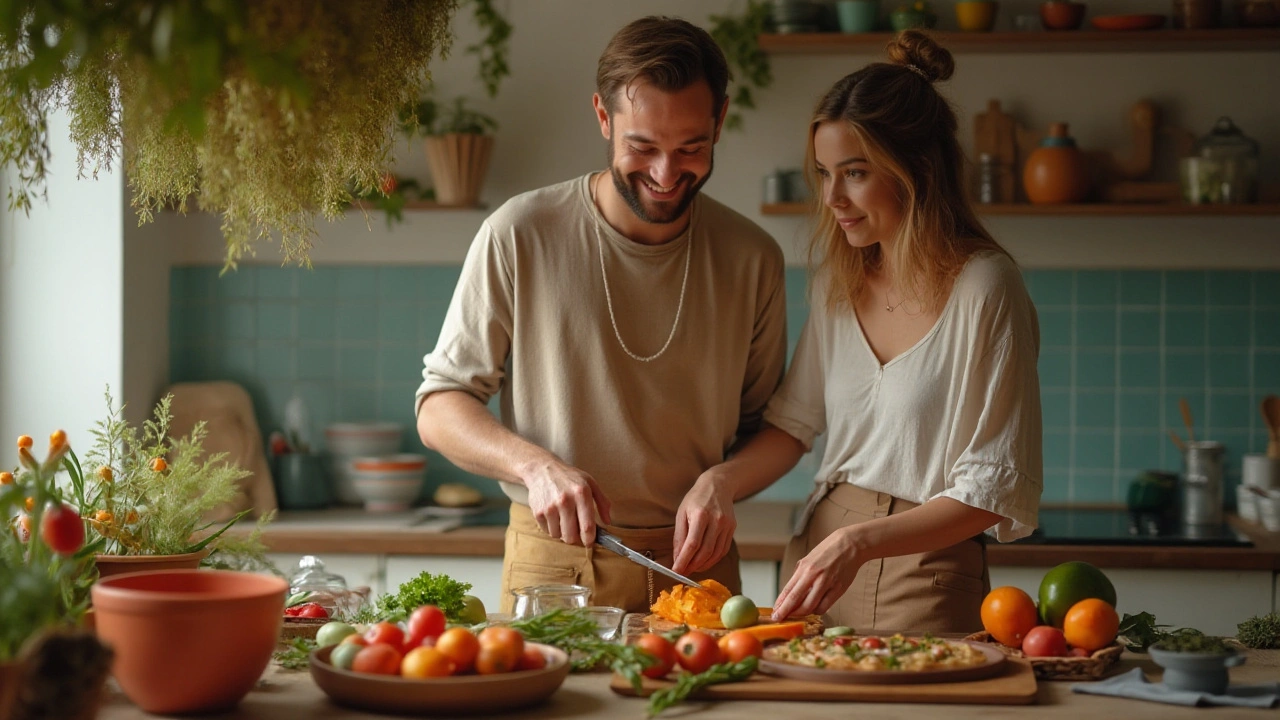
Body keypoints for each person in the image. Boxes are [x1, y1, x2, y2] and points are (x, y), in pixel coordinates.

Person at [414, 16, 787, 614]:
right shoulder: (519, 233)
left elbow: (773, 429)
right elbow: (439, 408)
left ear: (719, 120)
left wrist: (724, 482)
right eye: (643, 147)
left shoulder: (753, 257)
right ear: (603, 117)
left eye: (692, 147)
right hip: (555, 560)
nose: (667, 175)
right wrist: (534, 467)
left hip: (698, 567)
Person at [689, 31, 1042, 633]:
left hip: (924, 566)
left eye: (854, 173)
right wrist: (717, 481)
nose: (831, 197)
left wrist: (861, 541)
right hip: (817, 559)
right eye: (824, 173)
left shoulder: (986, 288)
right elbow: (793, 425)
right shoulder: (840, 281)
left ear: (916, 170)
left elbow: (990, 491)